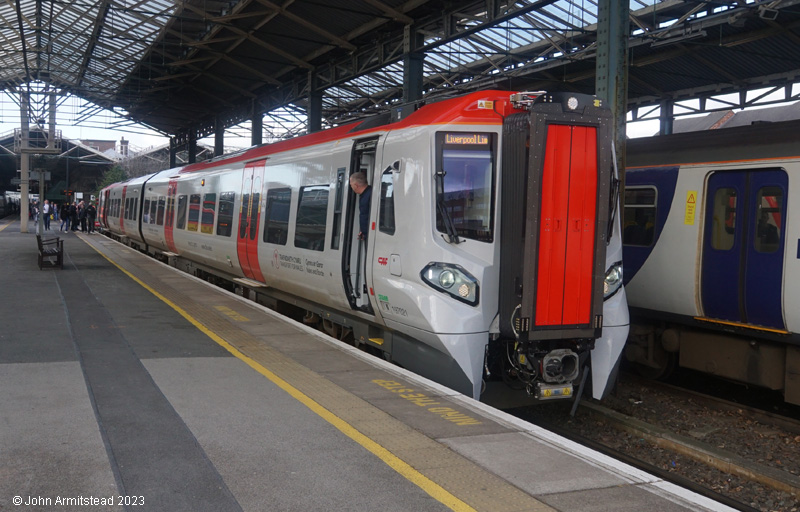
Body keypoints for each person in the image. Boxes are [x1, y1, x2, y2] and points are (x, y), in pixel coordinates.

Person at [349, 172, 371, 241]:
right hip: (367, 234)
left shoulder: (370, 195)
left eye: (351, 185)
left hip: (371, 235)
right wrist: (363, 230)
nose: (351, 187)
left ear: (356, 185)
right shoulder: (366, 194)